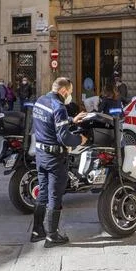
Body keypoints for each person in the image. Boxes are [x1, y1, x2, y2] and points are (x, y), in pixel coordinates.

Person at [31, 77, 87, 248]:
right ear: (63, 91)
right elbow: (64, 137)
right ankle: (52, 236)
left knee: (42, 194)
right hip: (55, 158)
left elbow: (49, 123)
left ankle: (37, 231)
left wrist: (71, 120)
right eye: (69, 92)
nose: (69, 96)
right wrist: (80, 139)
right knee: (55, 196)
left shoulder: (41, 101)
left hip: (41, 155)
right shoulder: (59, 107)